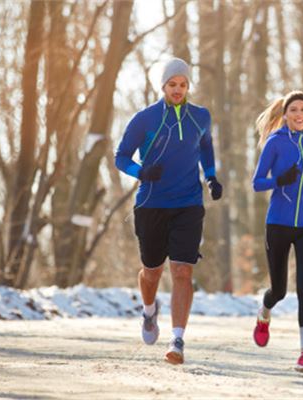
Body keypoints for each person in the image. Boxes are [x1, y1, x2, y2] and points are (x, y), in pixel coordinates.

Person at [115, 57, 222, 364]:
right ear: (163, 86)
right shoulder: (145, 119)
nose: (178, 90)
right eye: (172, 85)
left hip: (188, 203)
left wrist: (211, 176)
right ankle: (149, 312)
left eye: (183, 85)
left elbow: (205, 147)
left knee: (183, 271)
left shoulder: (200, 116)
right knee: (152, 272)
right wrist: (141, 172)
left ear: (189, 86)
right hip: (151, 205)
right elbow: (121, 157)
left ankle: (177, 340)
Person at [251, 91, 303, 375]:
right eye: (294, 110)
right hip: (278, 223)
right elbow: (256, 183)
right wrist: (279, 180)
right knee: (280, 290)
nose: (299, 114)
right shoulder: (275, 143)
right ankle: (264, 313)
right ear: (285, 114)